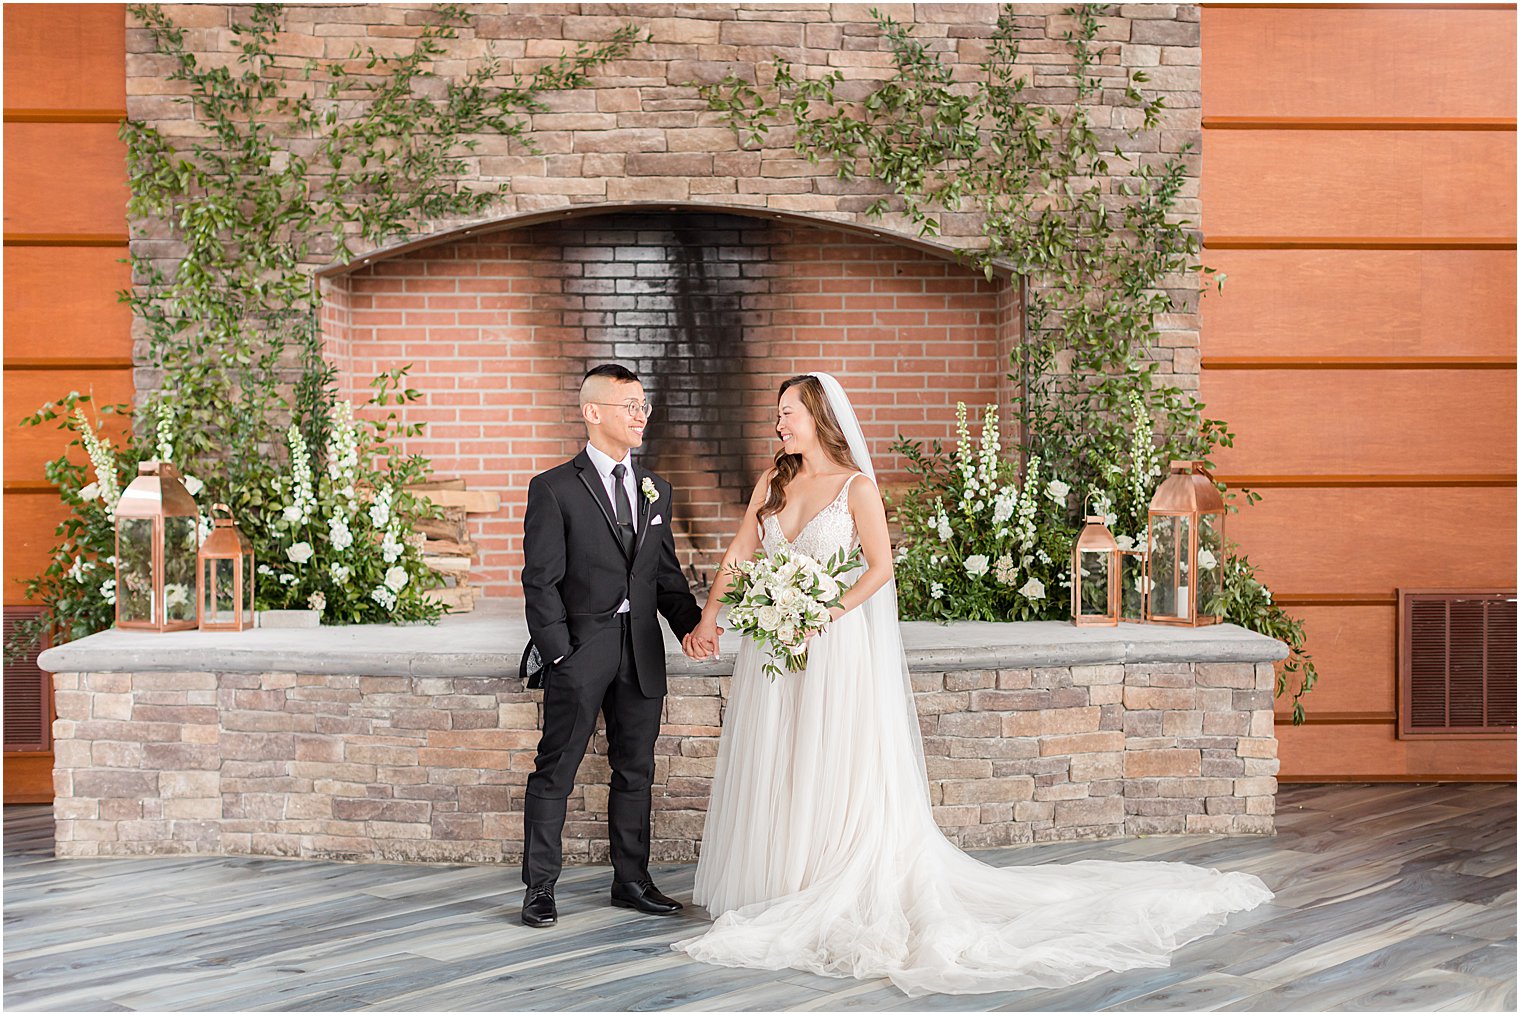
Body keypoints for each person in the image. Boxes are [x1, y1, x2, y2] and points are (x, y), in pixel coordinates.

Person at [671, 372, 1273, 996]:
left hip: (830, 644)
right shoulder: (774, 481)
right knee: (780, 755)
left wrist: (825, 611)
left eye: (787, 412)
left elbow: (880, 569)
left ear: (818, 416)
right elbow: (742, 550)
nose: (778, 423)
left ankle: (823, 875)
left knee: (831, 758)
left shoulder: (856, 488)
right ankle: (782, 881)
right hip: (775, 643)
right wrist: (712, 615)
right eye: (778, 414)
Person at [518, 364, 717, 929]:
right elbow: (540, 581)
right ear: (593, 412)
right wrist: (560, 653)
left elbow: (665, 578)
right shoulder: (553, 488)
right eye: (629, 404)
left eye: (644, 405)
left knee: (637, 770)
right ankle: (540, 890)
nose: (641, 415)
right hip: (581, 651)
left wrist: (692, 628)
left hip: (641, 651)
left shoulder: (658, 489)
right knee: (555, 769)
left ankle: (631, 881)